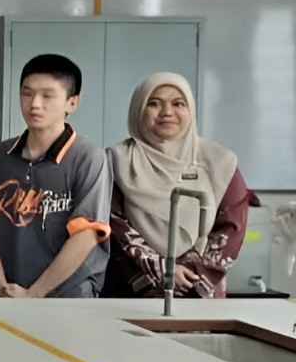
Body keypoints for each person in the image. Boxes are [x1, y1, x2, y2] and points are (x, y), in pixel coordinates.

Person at [104, 72, 251, 299]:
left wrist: (191, 273)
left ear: (190, 110)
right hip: (133, 290)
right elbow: (114, 226)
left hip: (199, 292)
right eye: (153, 103)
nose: (167, 112)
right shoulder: (116, 160)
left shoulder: (220, 162)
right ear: (138, 109)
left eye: (178, 103)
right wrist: (161, 270)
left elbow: (231, 228)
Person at [0, 54, 111, 298]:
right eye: (27, 94)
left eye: (47, 96)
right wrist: (1, 284)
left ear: (72, 102)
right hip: (7, 294)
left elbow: (87, 234)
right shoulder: (1, 155)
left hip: (68, 297)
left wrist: (34, 294)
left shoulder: (88, 156)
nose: (35, 104)